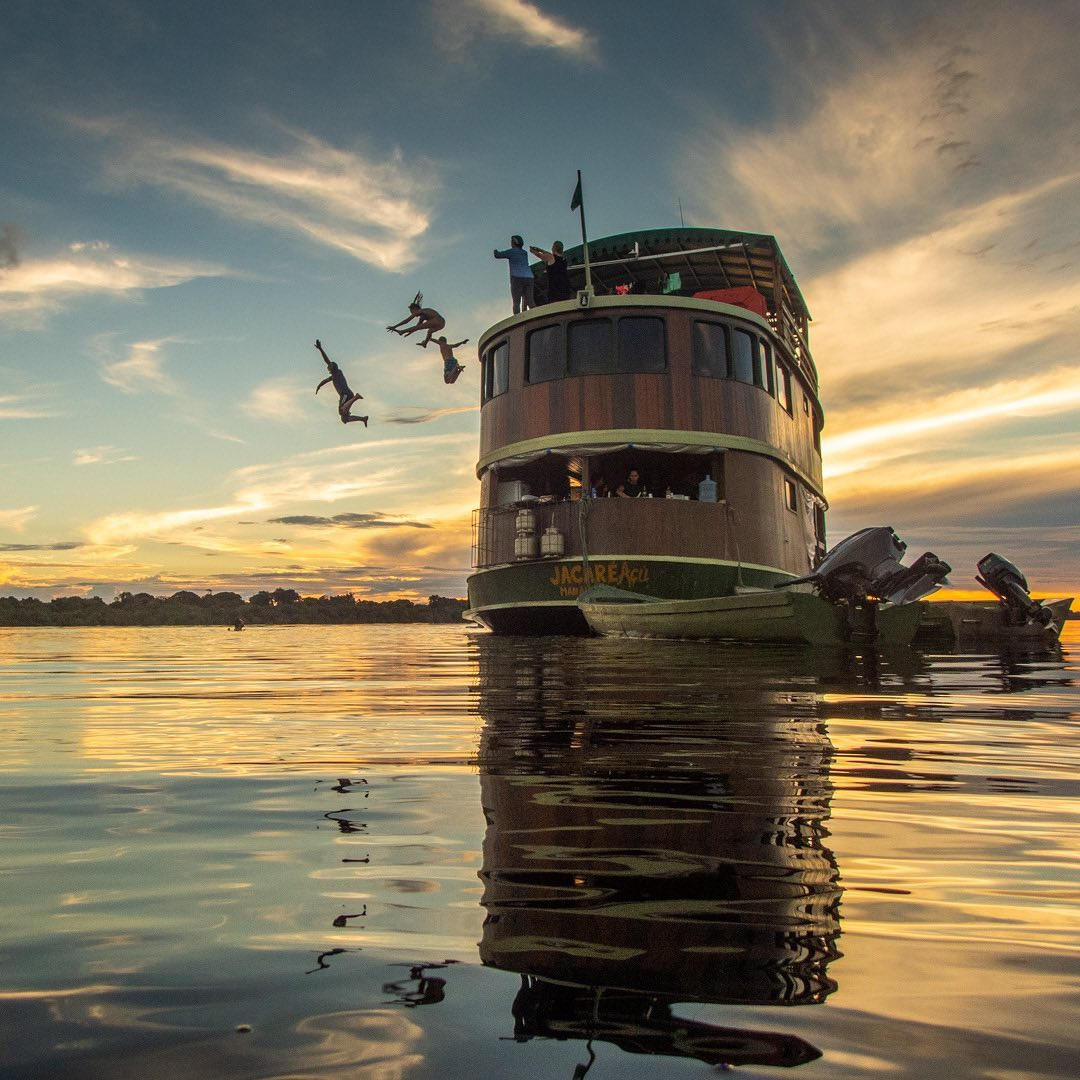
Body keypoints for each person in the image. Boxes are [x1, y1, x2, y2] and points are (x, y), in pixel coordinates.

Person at [314, 339, 368, 426]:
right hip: (346, 395)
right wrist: (319, 386)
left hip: (345, 395)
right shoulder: (334, 376)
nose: (327, 367)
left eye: (329, 366)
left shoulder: (337, 372)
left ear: (332, 368)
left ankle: (356, 397)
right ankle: (363, 419)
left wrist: (320, 349)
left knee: (341, 410)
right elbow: (324, 381)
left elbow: (327, 361)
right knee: (344, 419)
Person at [493, 235, 535, 314]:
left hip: (517, 277)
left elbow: (497, 255)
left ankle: (517, 319)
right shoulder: (524, 253)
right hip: (529, 277)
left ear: (514, 243)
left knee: (516, 302)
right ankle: (536, 316)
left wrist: (495, 250)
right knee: (530, 301)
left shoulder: (511, 252)